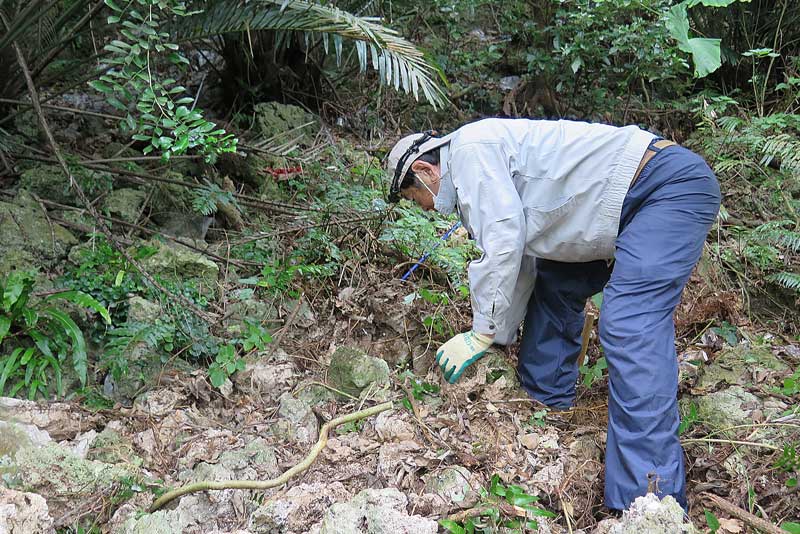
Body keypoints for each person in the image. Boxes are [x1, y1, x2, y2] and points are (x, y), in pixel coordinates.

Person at [386, 118, 721, 511]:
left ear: (426, 171)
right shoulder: (473, 155)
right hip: (609, 207)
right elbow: (523, 261)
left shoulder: (470, 153)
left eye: (415, 198)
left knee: (630, 323)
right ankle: (544, 407)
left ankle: (649, 499)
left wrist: (480, 332)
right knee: (554, 282)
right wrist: (496, 334)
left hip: (664, 187)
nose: (423, 208)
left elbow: (504, 240)